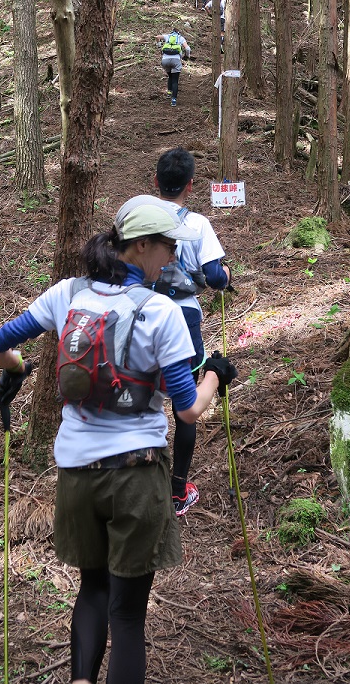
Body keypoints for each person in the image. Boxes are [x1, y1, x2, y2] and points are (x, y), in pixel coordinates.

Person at [0, 196, 237, 684]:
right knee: (128, 615)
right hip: (136, 475)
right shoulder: (161, 311)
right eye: (168, 247)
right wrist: (217, 376)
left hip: (77, 474)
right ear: (141, 247)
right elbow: (188, 408)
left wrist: (16, 369)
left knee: (92, 591)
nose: (173, 257)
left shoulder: (68, 294)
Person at [153, 148, 231, 515]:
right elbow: (214, 276)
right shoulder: (198, 224)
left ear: (156, 182)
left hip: (141, 315)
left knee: (142, 397)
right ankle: (178, 490)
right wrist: (226, 277)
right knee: (184, 405)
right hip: (184, 319)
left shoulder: (140, 215)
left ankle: (141, 480)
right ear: (191, 184)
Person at [156, 29, 190, 107]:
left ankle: (169, 93)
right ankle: (173, 100)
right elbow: (187, 48)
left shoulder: (167, 36)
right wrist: (187, 56)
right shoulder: (181, 38)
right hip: (176, 61)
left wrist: (159, 46)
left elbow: (157, 37)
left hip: (165, 61)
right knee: (175, 80)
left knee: (170, 76)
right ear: (179, 33)